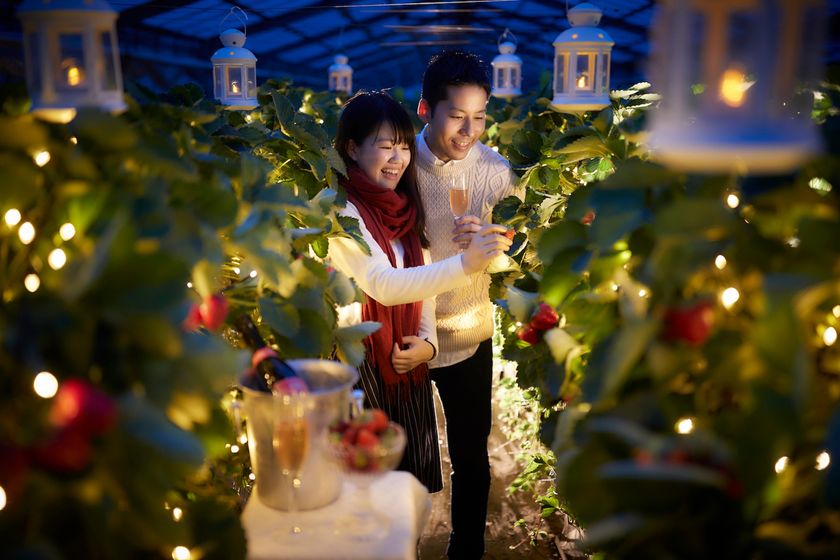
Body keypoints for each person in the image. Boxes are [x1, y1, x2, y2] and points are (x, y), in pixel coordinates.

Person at [327, 90, 512, 493]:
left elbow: (421, 274)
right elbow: (384, 285)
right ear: (353, 148)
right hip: (362, 371)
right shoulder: (341, 210)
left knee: (407, 491)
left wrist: (428, 344)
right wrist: (467, 264)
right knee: (367, 490)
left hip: (404, 370)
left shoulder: (401, 205)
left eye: (404, 146)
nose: (398, 158)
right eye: (385, 146)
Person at [414, 50, 523, 559]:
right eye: (457, 116)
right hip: (408, 336)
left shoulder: (496, 172)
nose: (469, 131)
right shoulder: (398, 164)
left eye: (479, 117)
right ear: (425, 109)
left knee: (471, 458)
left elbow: (517, 253)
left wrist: (492, 248)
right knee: (404, 459)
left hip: (470, 333)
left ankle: (467, 549)